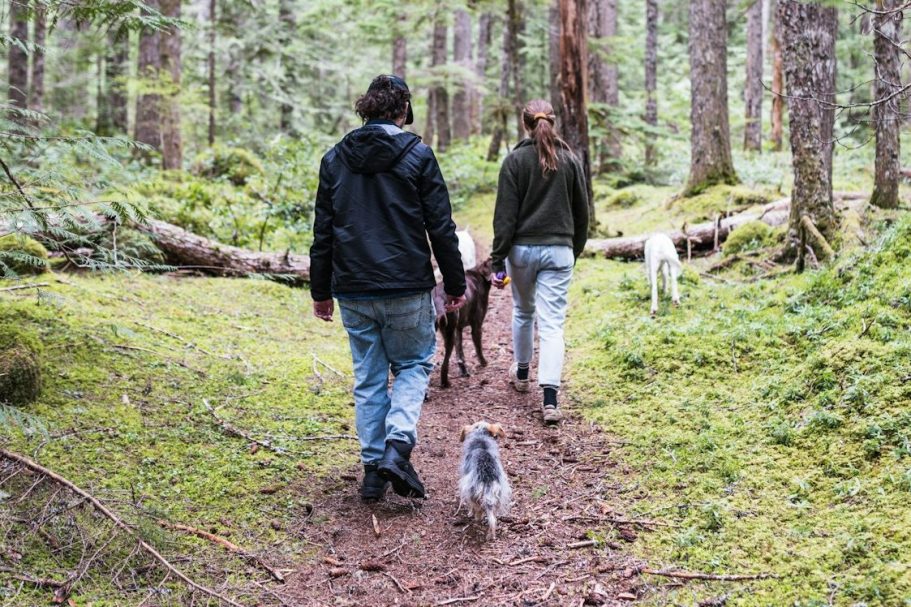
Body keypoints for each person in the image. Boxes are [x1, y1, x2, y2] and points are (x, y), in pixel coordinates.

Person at [310, 75, 466, 501]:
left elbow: (323, 232)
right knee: (414, 364)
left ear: (367, 108)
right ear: (403, 110)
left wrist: (320, 290)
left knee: (369, 378)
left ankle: (373, 474)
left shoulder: (335, 159)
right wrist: (455, 283)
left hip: (353, 288)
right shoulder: (418, 155)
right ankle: (397, 447)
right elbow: (441, 227)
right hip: (406, 284)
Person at [490, 99, 589, 424]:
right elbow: (583, 214)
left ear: (525, 124)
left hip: (522, 251)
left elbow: (504, 217)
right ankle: (550, 399)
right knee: (552, 324)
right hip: (559, 251)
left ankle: (521, 374)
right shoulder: (570, 160)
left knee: (523, 311)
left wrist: (497, 260)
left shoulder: (514, 161)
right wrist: (572, 251)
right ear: (552, 123)